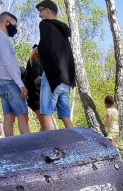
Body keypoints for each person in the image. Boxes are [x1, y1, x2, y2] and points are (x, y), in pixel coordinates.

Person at [0, 12, 30, 137]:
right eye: (14, 25)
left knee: (9, 117)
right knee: (23, 117)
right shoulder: (1, 36)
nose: (15, 29)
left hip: (0, 81)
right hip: (9, 81)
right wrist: (20, 84)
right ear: (7, 22)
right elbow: (7, 62)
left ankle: (9, 147)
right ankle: (30, 147)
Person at [36, 0, 75, 130]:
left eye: (40, 10)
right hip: (66, 80)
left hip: (53, 78)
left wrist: (37, 50)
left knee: (46, 114)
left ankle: (53, 148)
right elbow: (69, 56)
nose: (39, 14)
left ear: (48, 10)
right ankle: (75, 145)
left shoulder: (45, 25)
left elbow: (46, 48)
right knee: (65, 116)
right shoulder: (63, 31)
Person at [23, 44, 47, 131]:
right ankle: (42, 143)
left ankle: (42, 142)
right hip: (35, 97)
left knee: (44, 124)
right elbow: (37, 79)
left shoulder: (33, 61)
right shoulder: (36, 60)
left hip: (36, 96)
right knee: (45, 124)